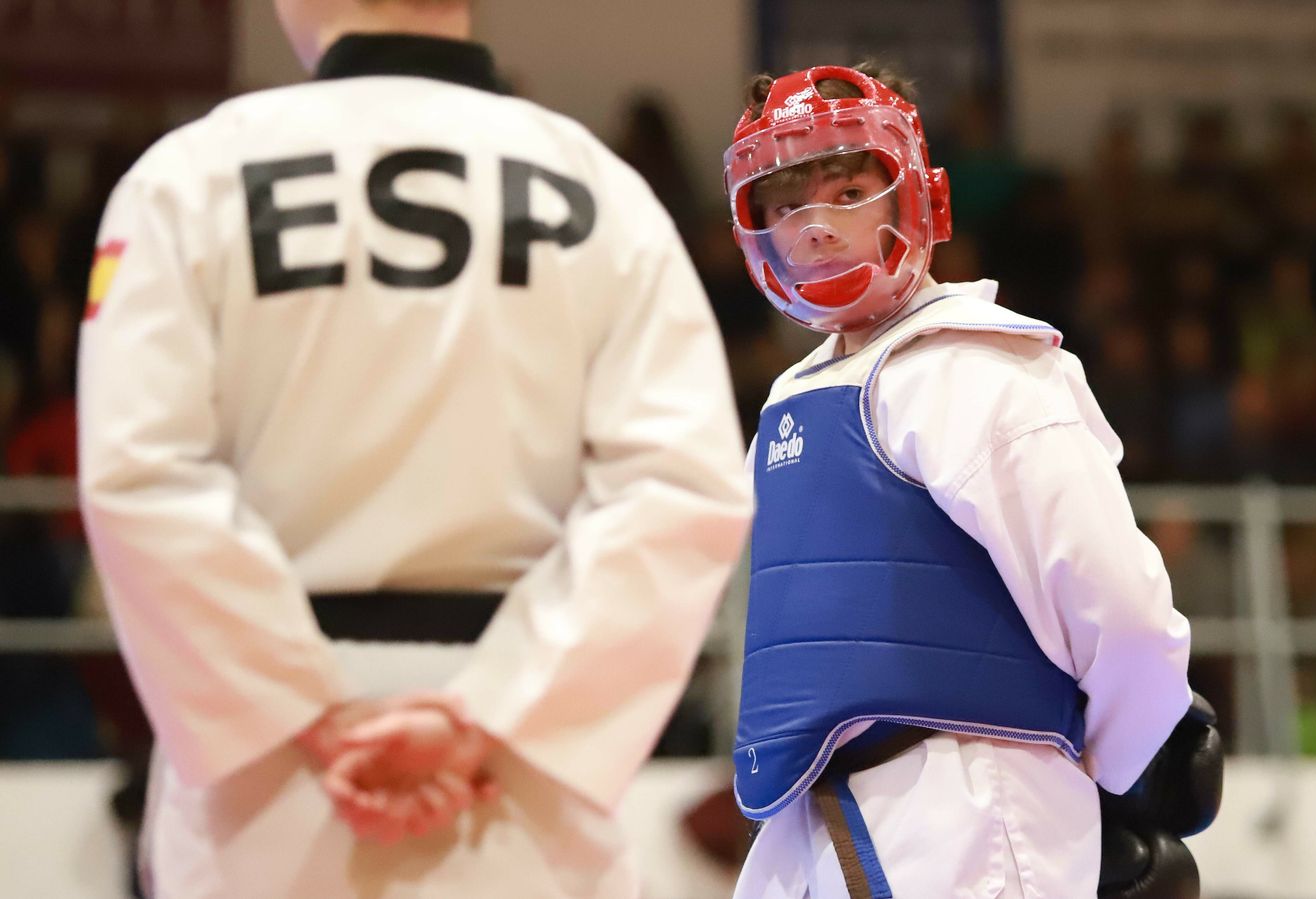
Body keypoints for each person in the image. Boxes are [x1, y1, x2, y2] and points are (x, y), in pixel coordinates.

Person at [75, 1, 753, 896]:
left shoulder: (189, 177)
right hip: (517, 777)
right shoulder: (602, 193)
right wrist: (487, 719)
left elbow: (139, 475)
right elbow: (682, 486)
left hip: (267, 782)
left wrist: (308, 710)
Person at [722, 65, 1193, 898]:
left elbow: (1120, 609)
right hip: (812, 820)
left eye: (849, 189)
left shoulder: (975, 369)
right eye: (787, 205)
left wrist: (1117, 773)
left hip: (968, 813)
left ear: (914, 197)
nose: (818, 225)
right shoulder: (792, 397)